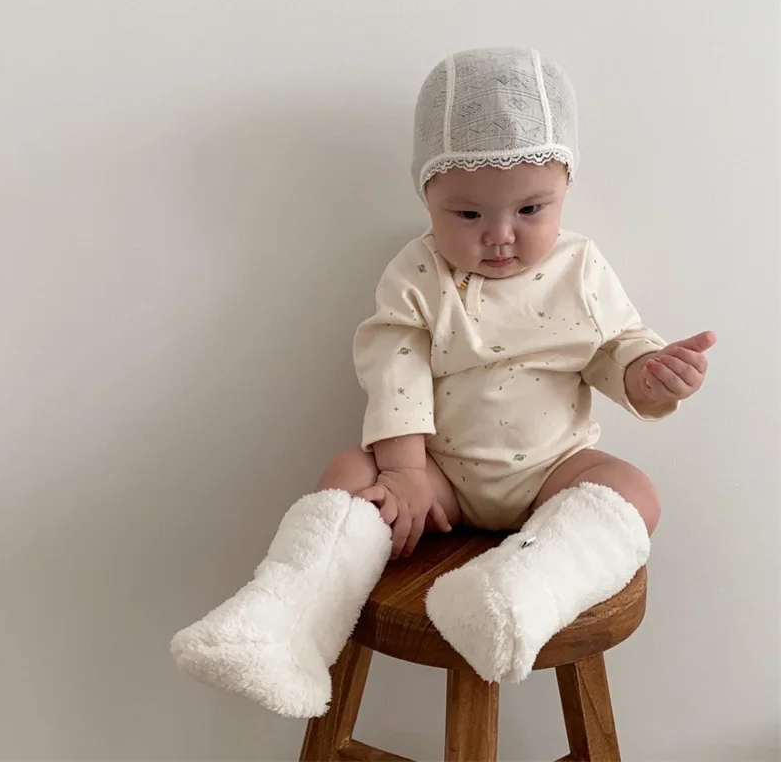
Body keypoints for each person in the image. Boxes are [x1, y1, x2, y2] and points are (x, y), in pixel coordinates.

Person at [171, 47, 716, 718]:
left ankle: (516, 594)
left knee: (634, 492)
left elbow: (613, 349)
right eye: (468, 216)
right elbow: (394, 369)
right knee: (349, 470)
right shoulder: (418, 274)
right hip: (440, 480)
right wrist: (404, 471)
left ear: (565, 188)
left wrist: (651, 375)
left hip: (552, 473)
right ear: (426, 196)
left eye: (531, 209)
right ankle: (282, 625)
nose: (500, 236)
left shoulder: (581, 268)